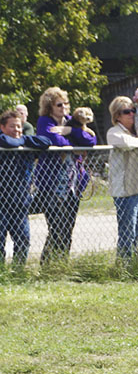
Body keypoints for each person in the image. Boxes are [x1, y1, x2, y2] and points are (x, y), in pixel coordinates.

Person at [34, 87, 89, 263]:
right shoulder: (44, 121)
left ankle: (62, 264)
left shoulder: (71, 121)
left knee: (68, 228)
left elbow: (91, 140)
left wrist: (70, 132)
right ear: (50, 107)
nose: (64, 107)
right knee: (57, 227)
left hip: (73, 184)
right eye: (59, 104)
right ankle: (47, 264)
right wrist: (74, 143)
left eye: (66, 103)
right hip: (52, 184)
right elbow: (53, 140)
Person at [106, 95, 138, 260]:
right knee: (127, 232)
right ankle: (124, 266)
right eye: (127, 112)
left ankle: (136, 264)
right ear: (117, 116)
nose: (132, 114)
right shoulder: (114, 131)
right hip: (125, 191)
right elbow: (125, 142)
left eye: (134, 110)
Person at [0, 109, 51, 267]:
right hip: (1, 201)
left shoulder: (24, 142)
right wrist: (23, 141)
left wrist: (22, 139)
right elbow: (6, 142)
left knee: (23, 240)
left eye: (19, 126)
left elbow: (46, 142)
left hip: (20, 202)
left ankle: (18, 271)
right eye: (12, 126)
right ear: (2, 127)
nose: (17, 130)